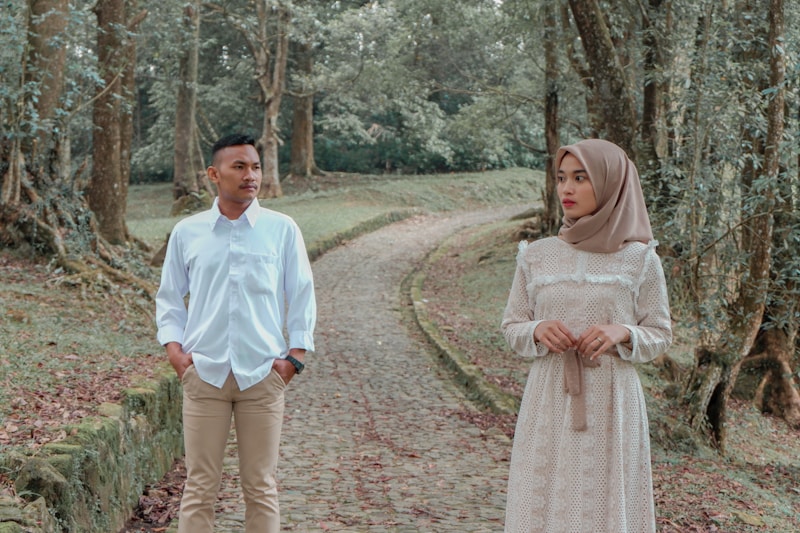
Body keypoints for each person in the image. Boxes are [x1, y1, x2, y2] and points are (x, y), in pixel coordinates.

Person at [501, 138, 672, 532]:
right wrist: (537, 329)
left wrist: (623, 332)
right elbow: (512, 326)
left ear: (610, 183)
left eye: (581, 178)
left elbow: (660, 333)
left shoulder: (640, 259)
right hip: (548, 395)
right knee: (544, 495)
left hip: (612, 400)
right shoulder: (536, 255)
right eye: (562, 178)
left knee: (603, 501)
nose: (567, 188)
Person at [155, 133, 316, 533]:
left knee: (260, 487)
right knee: (199, 487)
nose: (250, 176)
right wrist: (175, 352)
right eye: (239, 167)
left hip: (263, 375)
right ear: (214, 174)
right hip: (204, 374)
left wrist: (294, 358)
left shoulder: (281, 229)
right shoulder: (188, 232)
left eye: (255, 167)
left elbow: (301, 293)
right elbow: (170, 297)